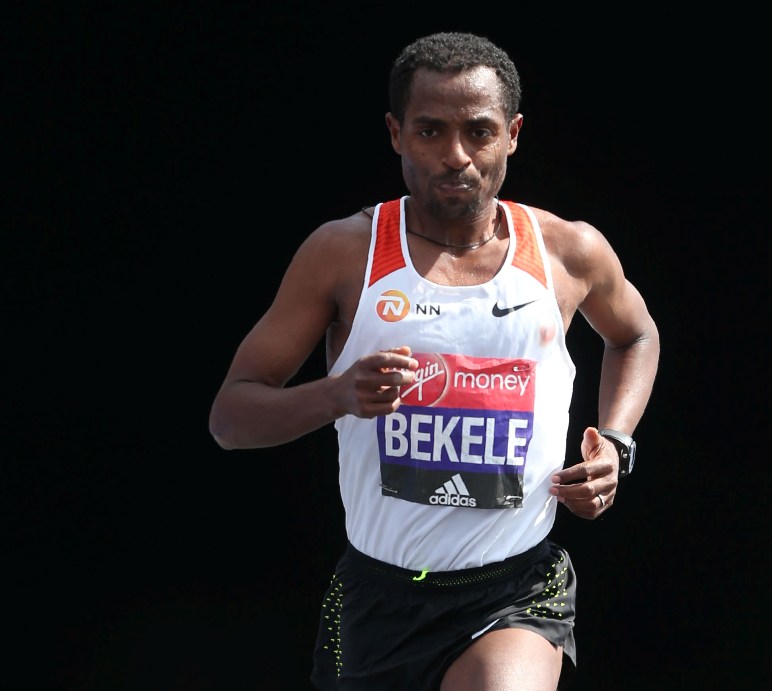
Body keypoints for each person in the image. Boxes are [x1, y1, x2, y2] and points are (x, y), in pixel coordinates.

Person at [209, 31, 659, 691]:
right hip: (376, 596)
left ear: (512, 134)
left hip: (514, 589)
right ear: (396, 134)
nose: (456, 156)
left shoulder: (568, 251)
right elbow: (230, 417)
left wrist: (615, 443)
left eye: (479, 131)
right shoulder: (346, 254)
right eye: (430, 131)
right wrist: (337, 394)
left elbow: (636, 335)